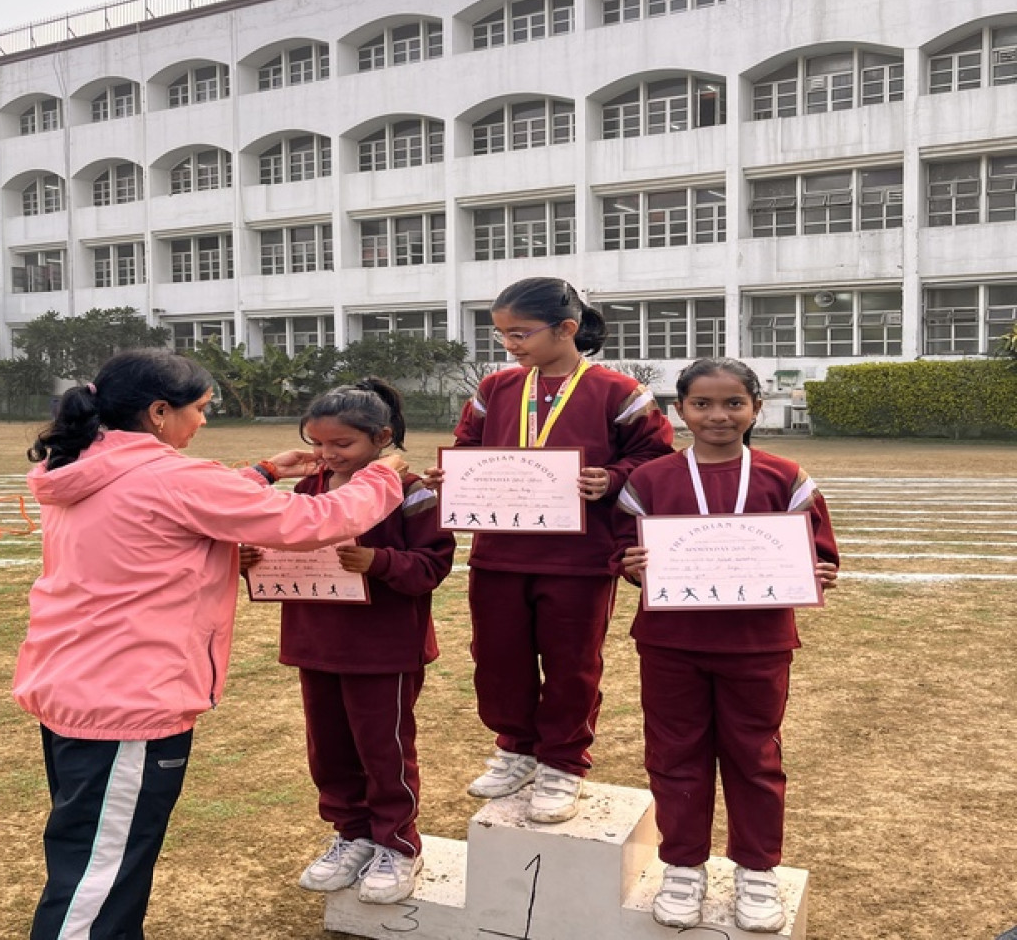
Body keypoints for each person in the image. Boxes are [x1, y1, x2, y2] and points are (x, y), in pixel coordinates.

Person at [13, 349, 407, 940]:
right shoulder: (172, 478)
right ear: (158, 412)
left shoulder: (85, 464)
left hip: (73, 683)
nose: (203, 421)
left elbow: (178, 505)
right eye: (199, 408)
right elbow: (312, 523)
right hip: (129, 702)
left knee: (94, 853)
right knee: (99, 877)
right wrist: (383, 475)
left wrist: (262, 473)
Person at [426, 277, 673, 823]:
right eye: (501, 334)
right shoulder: (495, 389)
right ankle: (516, 748)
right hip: (498, 551)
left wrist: (612, 478)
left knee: (571, 664)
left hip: (579, 558)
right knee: (497, 658)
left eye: (520, 333)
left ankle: (563, 762)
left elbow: (656, 458)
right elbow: (468, 446)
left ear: (566, 329)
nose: (508, 344)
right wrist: (454, 475)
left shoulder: (618, 391)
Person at [613, 357, 839, 933]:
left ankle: (757, 869)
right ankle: (683, 865)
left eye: (734, 403)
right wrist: (631, 565)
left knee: (755, 756)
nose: (718, 415)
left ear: (756, 409)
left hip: (757, 646)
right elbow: (621, 549)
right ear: (680, 410)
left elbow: (820, 551)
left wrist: (820, 570)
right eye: (703, 404)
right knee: (674, 753)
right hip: (671, 644)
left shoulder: (786, 477)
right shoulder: (650, 480)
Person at [242, 379, 455, 905]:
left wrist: (378, 562)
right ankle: (351, 834)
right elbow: (283, 546)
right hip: (316, 641)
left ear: (381, 437)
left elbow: (433, 564)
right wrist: (250, 561)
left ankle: (397, 845)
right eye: (317, 443)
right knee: (329, 750)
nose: (327, 454)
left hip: (384, 649)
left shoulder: (410, 491)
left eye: (342, 443)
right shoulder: (307, 489)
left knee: (384, 751)